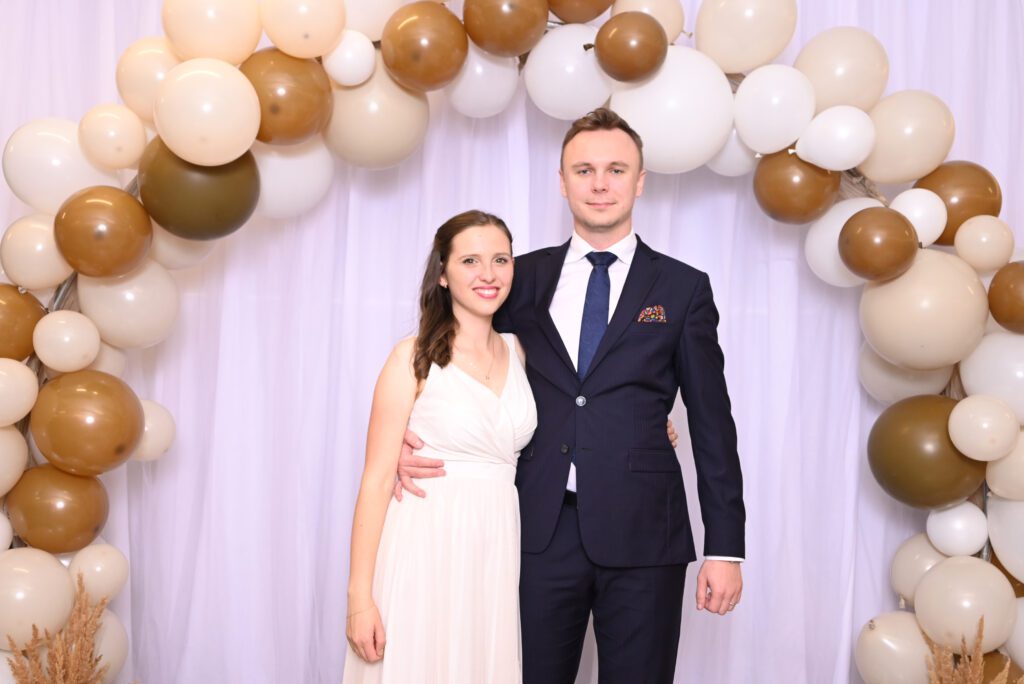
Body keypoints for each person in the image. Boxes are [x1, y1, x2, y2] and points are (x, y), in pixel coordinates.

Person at [398, 108, 746, 683]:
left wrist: (725, 548)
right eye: (584, 170)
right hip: (534, 529)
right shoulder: (517, 278)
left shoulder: (683, 288)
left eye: (616, 170)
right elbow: (457, 360)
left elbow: (713, 423)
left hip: (645, 536)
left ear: (640, 180)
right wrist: (405, 443)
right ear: (562, 182)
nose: (600, 184)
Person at [342, 210, 538, 683]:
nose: (488, 274)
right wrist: (359, 598)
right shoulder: (411, 357)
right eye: (470, 261)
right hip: (424, 544)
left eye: (500, 260)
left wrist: (658, 426)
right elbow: (376, 480)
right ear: (444, 274)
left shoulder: (522, 351)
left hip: (494, 550)